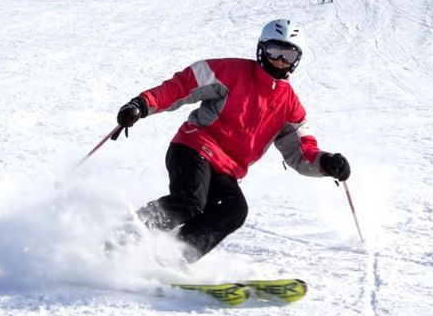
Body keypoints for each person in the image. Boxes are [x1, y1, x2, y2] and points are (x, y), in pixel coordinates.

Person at [113, 19, 350, 263]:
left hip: (227, 169)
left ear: (296, 60)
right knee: (191, 202)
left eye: (287, 55)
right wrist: (142, 104)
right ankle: (123, 237)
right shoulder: (231, 72)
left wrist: (326, 163)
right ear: (261, 49)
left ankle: (175, 256)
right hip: (194, 147)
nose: (279, 60)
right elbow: (183, 85)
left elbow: (302, 152)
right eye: (273, 51)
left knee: (234, 209)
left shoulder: (290, 106)